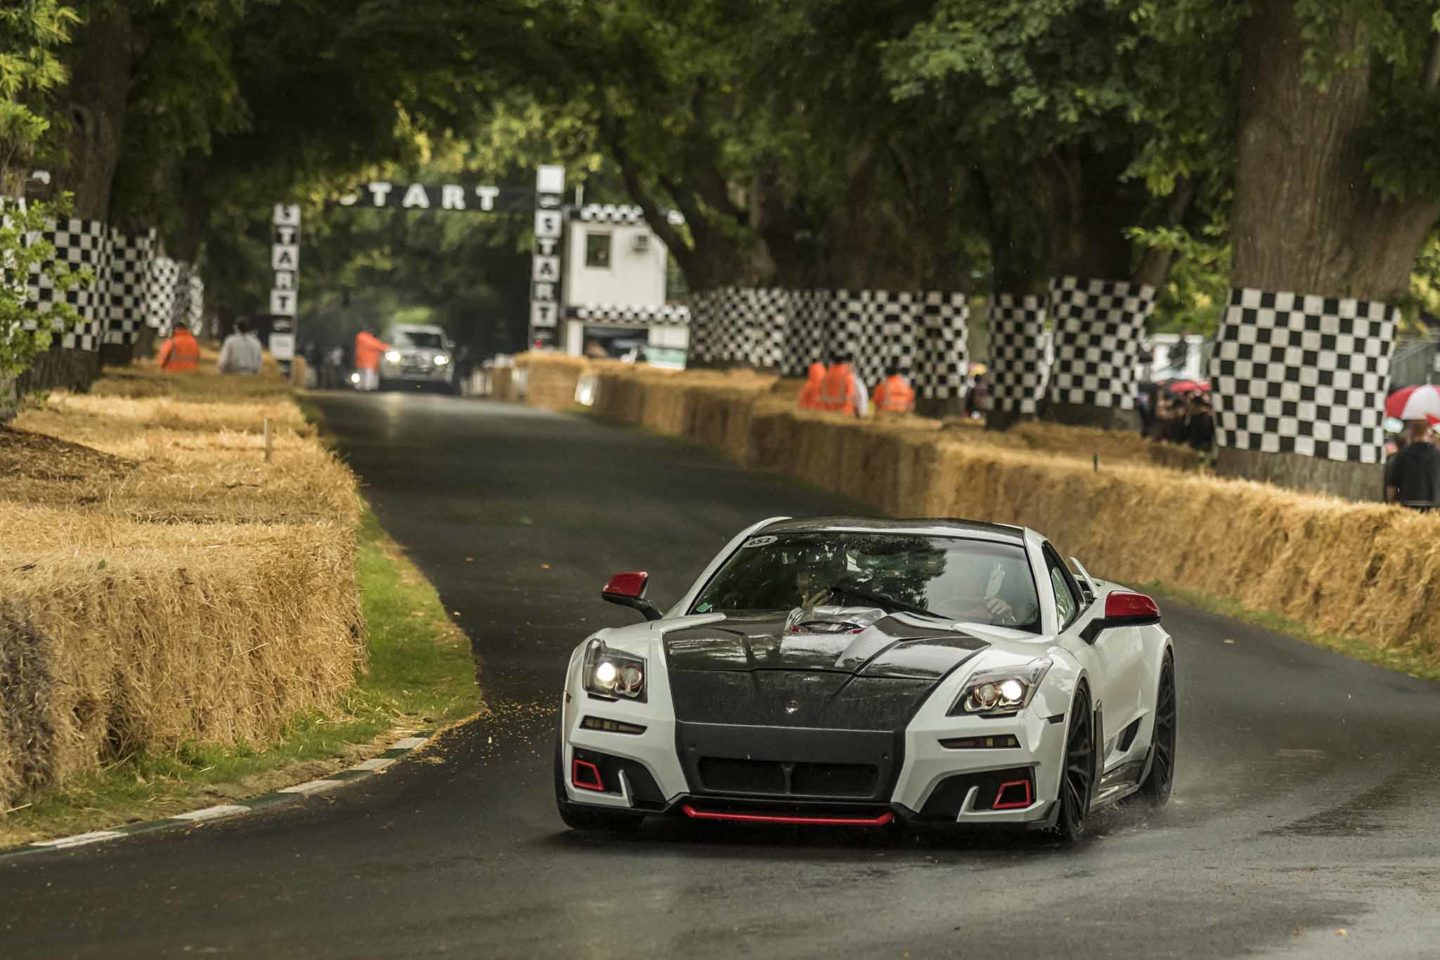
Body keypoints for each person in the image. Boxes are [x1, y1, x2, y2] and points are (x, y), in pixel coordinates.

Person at [1385, 419, 1440, 511]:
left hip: (1407, 507)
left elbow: (1392, 486)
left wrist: (1391, 505)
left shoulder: (1402, 456)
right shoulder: (1437, 456)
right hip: (1433, 506)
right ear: (1428, 433)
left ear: (1411, 433)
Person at [815, 352, 867, 417]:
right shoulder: (848, 377)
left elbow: (818, 396)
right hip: (844, 414)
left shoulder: (824, 377)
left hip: (826, 414)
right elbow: (856, 396)